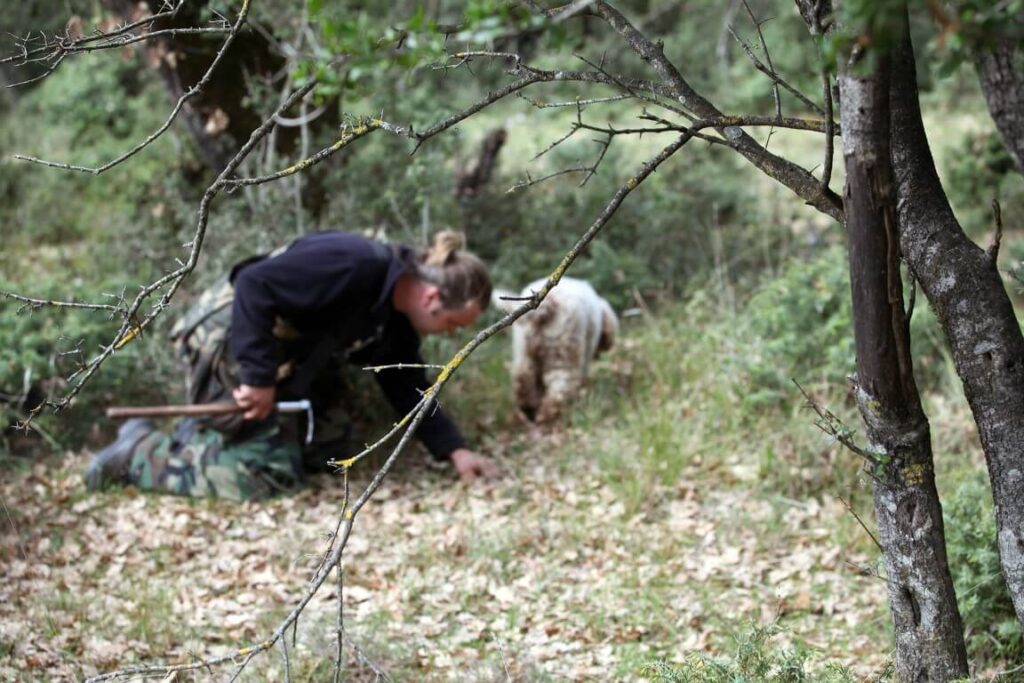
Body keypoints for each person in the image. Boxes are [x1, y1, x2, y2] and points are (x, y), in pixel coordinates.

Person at [85, 230, 500, 501]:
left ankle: (199, 436)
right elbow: (252, 283)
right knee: (268, 477)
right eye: (451, 325)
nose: (447, 336)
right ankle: (140, 453)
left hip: (278, 348)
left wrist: (454, 450)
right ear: (431, 298)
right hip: (230, 332)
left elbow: (405, 382)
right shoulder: (355, 263)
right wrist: (258, 378)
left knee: (334, 444)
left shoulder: (397, 318)